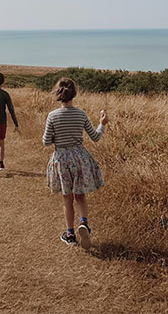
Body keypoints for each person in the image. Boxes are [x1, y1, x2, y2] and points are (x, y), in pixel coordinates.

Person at [42, 77, 108, 249]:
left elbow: (46, 142)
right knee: (81, 195)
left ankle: (70, 234)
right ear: (74, 94)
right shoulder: (81, 114)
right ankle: (84, 223)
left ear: (58, 93)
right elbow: (95, 137)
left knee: (67, 199)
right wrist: (102, 124)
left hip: (62, 160)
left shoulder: (52, 116)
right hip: (80, 158)